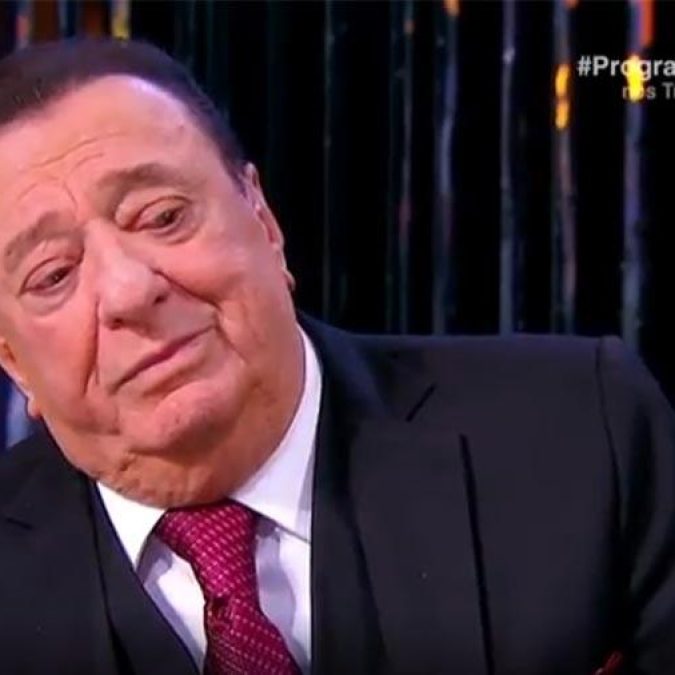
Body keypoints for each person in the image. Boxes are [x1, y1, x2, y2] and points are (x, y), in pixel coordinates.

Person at [0, 38, 672, 675]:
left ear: (263, 221)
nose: (128, 291)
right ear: (13, 361)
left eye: (162, 217)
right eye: (53, 274)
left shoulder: (585, 435)